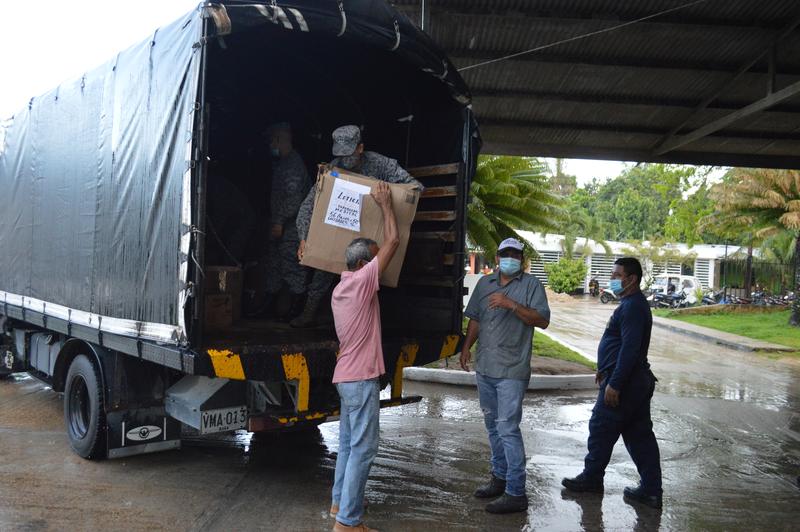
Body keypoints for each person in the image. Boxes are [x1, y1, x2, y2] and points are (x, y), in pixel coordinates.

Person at [291, 124, 422, 328]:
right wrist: (304, 238)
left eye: (349, 153)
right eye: (340, 154)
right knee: (322, 271)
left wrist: (387, 195)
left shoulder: (381, 164)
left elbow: (414, 189)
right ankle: (309, 313)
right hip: (340, 232)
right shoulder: (333, 169)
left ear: (360, 148)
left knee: (372, 278)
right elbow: (308, 206)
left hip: (369, 241)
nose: (344, 159)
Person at [562, 257, 663, 510]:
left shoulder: (632, 307)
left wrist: (615, 383)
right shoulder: (633, 304)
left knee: (601, 426)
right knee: (640, 436)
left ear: (632, 279)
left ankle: (592, 478)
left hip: (627, 383)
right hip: (633, 380)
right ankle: (651, 491)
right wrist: (604, 369)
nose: (613, 279)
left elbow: (629, 349)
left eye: (617, 275)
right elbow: (622, 347)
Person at [460, 238, 551, 514]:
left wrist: (511, 304)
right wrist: (466, 348)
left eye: (515, 254)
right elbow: (475, 318)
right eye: (504, 254)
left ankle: (516, 491)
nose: (509, 258)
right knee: (492, 426)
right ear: (497, 257)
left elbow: (542, 320)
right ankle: (499, 478)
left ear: (521, 259)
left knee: (508, 429)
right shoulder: (485, 284)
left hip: (512, 370)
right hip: (486, 367)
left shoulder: (531, 285)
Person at [329, 181, 399, 532]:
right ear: (363, 263)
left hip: (345, 379)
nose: (379, 266)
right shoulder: (361, 282)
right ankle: (348, 522)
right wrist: (386, 205)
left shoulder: (340, 289)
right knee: (363, 450)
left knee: (347, 445)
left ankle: (339, 504)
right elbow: (393, 242)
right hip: (359, 380)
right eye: (373, 260)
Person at [258, 122, 310, 319]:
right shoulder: (283, 163)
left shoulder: (294, 165)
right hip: (281, 226)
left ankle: (297, 310)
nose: (270, 144)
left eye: (272, 140)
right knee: (275, 266)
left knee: (292, 267)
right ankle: (270, 306)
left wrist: (279, 220)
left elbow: (294, 198)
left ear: (279, 140)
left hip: (292, 228)